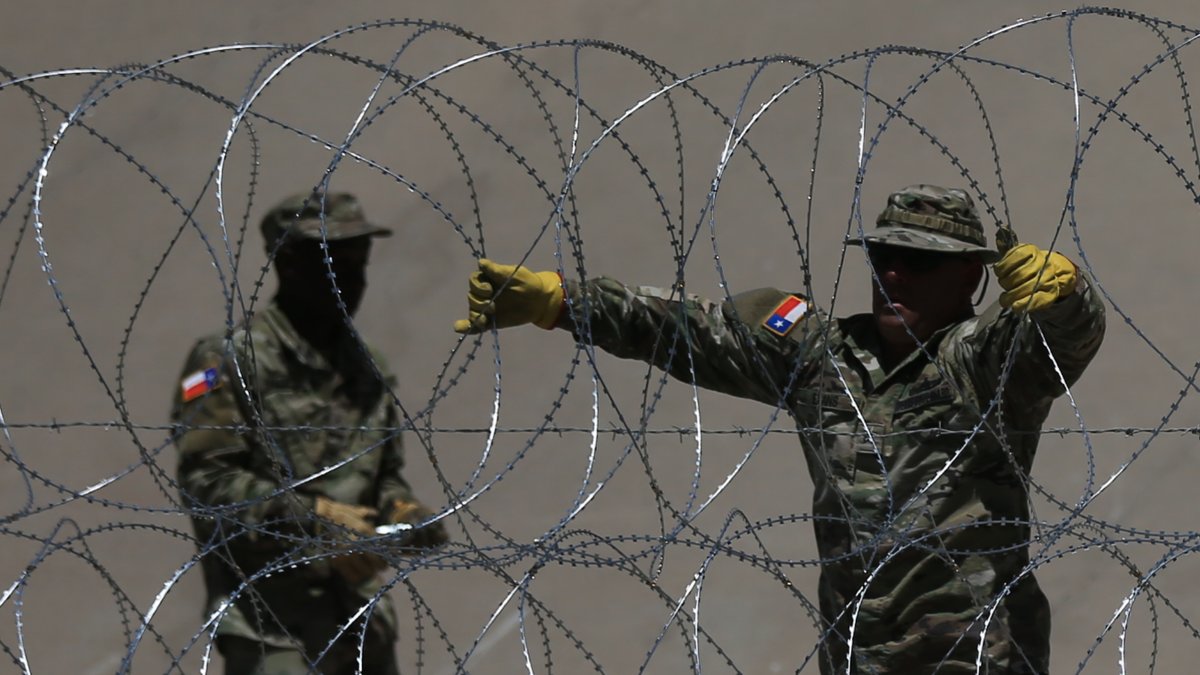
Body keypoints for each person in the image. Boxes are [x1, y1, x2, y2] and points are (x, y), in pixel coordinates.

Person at [453, 185, 1105, 674]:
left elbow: (1064, 338)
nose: (894, 274)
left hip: (976, 653)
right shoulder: (823, 357)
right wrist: (563, 301)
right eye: (884, 256)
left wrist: (1066, 293)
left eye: (918, 261)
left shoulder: (986, 360)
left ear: (970, 275)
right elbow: (689, 329)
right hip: (859, 654)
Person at [172, 191, 448, 675]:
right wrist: (314, 520)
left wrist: (403, 512)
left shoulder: (366, 366)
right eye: (334, 265)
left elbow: (383, 475)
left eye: (359, 262)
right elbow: (208, 483)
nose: (352, 280)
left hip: (360, 621)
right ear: (290, 265)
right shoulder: (228, 362)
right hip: (273, 629)